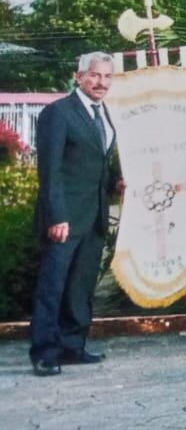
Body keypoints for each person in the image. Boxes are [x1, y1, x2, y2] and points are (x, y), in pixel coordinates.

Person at [29, 52, 123, 377]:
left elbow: (95, 162)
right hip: (65, 218)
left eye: (107, 77)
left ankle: (72, 346)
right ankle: (44, 352)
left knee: (80, 286)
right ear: (78, 76)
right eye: (95, 76)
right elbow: (51, 170)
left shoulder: (104, 112)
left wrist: (117, 182)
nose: (101, 82)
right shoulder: (58, 113)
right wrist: (57, 216)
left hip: (94, 215)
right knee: (53, 286)